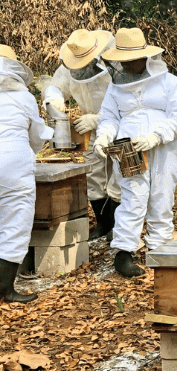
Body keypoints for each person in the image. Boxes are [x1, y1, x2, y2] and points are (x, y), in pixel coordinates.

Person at [93, 28, 177, 278]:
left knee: (161, 196)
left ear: (146, 58)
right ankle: (123, 254)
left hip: (165, 149)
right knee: (132, 198)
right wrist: (103, 136)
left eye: (131, 60)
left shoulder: (168, 82)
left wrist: (155, 136)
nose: (127, 66)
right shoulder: (115, 87)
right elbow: (108, 117)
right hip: (127, 147)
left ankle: (158, 250)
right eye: (123, 62)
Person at [41, 29, 121, 240]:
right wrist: (53, 98)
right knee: (94, 176)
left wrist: (98, 119)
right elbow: (56, 84)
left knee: (120, 177)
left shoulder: (115, 66)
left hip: (121, 127)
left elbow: (128, 102)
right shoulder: (70, 68)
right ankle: (104, 225)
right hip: (89, 129)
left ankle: (121, 229)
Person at [0, 46, 52, 303]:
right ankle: (6, 290)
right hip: (13, 163)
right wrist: (29, 152)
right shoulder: (23, 98)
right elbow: (36, 135)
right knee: (14, 223)